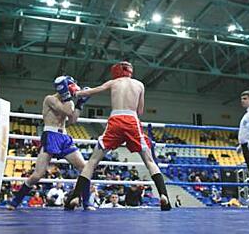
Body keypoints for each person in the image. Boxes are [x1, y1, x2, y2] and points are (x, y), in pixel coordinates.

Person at [64, 61, 171, 211]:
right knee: (149, 160)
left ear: (116, 71)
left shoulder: (113, 82)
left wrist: (75, 91)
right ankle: (163, 195)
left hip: (115, 120)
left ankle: (75, 196)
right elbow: (140, 111)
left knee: (92, 161)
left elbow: (92, 91)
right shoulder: (139, 85)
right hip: (132, 121)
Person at [7, 76, 92, 210]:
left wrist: (80, 103)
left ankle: (87, 203)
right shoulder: (50, 99)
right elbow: (68, 111)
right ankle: (15, 201)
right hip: (51, 135)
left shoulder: (67, 102)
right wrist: (69, 98)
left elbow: (72, 120)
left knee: (85, 167)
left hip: (63, 136)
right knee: (38, 175)